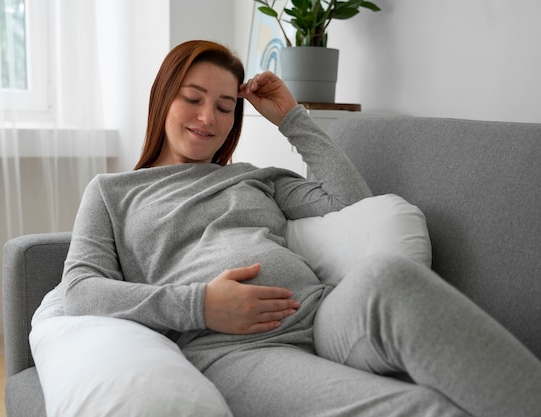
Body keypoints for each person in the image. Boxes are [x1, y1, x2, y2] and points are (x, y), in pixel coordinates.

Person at [59, 40, 541, 417]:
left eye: (226, 106)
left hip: (324, 314)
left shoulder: (253, 176)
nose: (209, 118)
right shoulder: (112, 192)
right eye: (193, 98)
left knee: (391, 276)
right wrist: (199, 304)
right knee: (420, 409)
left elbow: (351, 203)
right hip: (237, 347)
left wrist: (291, 118)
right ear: (164, 97)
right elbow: (80, 290)